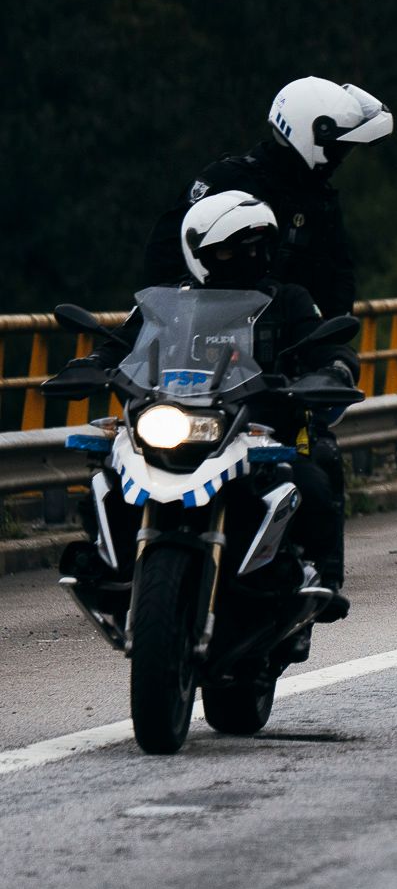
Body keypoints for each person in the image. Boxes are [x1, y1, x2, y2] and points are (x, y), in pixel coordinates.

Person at [58, 192, 357, 619]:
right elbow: (121, 345)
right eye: (231, 248)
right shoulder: (167, 300)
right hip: (172, 417)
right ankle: (111, 561)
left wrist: (334, 368)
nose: (247, 256)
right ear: (200, 251)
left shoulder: (288, 299)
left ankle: (320, 577)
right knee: (106, 471)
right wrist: (90, 365)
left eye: (256, 246)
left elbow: (325, 342)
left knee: (312, 472)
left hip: (256, 425)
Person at [144, 77, 392, 319]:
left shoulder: (320, 198)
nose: (340, 158)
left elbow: (338, 275)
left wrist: (331, 345)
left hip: (291, 346)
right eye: (337, 149)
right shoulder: (228, 180)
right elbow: (165, 257)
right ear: (311, 135)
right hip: (212, 338)